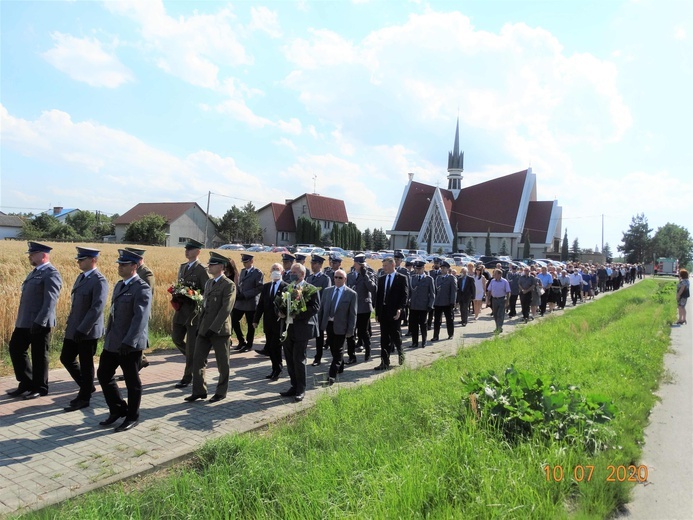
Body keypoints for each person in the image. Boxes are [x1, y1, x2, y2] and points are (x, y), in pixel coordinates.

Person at [97, 249, 152, 432]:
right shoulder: (120, 286)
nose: (120, 267)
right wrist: (109, 335)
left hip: (130, 344)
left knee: (132, 381)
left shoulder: (142, 288)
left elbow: (140, 318)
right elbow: (113, 314)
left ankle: (132, 416)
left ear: (134, 266)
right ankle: (118, 408)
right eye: (119, 264)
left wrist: (130, 341)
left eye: (124, 264)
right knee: (104, 374)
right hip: (114, 341)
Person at [7, 242, 63, 400]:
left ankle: (40, 387)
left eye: (33, 254)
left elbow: (50, 301)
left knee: (39, 355)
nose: (29, 256)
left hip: (39, 322)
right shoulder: (34, 272)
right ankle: (26, 382)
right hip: (24, 321)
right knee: (16, 349)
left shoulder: (51, 273)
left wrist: (40, 321)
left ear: (43, 255)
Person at [60, 247, 109, 412]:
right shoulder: (81, 277)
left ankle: (85, 397)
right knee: (66, 357)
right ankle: (86, 387)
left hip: (87, 331)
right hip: (75, 328)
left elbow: (97, 308)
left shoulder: (99, 280)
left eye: (82, 259)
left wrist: (83, 329)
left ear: (93, 260)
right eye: (78, 259)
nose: (79, 262)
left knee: (86, 363)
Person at [185, 252, 236, 403]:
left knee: (222, 363)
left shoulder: (228, 285)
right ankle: (199, 391)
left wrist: (213, 328)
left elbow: (225, 309)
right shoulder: (208, 283)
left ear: (221, 267)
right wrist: (200, 326)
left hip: (219, 330)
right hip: (203, 328)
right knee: (198, 360)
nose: (209, 267)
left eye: (212, 265)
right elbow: (204, 307)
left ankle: (221, 391)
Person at [171, 239, 211, 389]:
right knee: (176, 339)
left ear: (198, 251)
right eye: (186, 249)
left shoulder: (202, 269)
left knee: (190, 347)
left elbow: (206, 292)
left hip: (194, 313)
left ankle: (187, 376)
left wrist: (192, 294)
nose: (186, 251)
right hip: (181, 311)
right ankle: (195, 358)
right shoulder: (183, 267)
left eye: (190, 249)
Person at [278, 263, 320, 402]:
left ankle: (301, 389)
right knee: (289, 359)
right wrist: (280, 312)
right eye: (291, 272)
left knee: (298, 359)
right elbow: (279, 303)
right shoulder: (287, 288)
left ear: (302, 274)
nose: (291, 274)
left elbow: (315, 308)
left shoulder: (311, 289)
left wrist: (298, 314)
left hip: (302, 329)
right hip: (287, 329)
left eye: (294, 272)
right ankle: (293, 386)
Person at [318, 269, 357, 385]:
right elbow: (322, 309)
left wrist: (351, 330)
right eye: (335, 277)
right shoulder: (327, 291)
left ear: (345, 279)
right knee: (333, 348)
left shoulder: (351, 294)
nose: (337, 280)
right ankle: (340, 365)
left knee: (339, 349)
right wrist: (319, 324)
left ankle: (332, 375)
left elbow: (352, 314)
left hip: (342, 326)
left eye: (340, 278)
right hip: (329, 324)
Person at [253, 263, 287, 381]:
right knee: (271, 348)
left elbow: (288, 306)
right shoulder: (266, 286)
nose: (275, 271)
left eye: (277, 269)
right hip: (268, 323)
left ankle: (278, 369)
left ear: (282, 272)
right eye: (273, 269)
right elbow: (261, 304)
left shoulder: (286, 287)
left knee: (275, 347)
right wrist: (256, 320)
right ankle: (274, 369)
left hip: (279, 323)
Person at [374, 257, 409, 370]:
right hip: (383, 312)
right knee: (384, 338)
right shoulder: (382, 279)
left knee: (395, 335)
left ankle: (400, 352)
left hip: (395, 313)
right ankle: (384, 362)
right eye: (383, 266)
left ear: (392, 265)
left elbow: (405, 295)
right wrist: (377, 313)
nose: (384, 268)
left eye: (386, 266)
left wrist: (400, 309)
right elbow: (379, 297)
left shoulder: (401, 278)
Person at [345, 253, 377, 363]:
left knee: (363, 332)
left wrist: (365, 276)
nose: (360, 266)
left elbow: (373, 288)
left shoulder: (369, 274)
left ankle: (368, 351)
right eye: (358, 264)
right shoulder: (350, 275)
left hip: (364, 307)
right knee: (350, 332)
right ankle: (351, 356)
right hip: (352, 308)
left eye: (362, 264)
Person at [232, 253, 264, 353]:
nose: (244, 264)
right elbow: (240, 284)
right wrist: (238, 294)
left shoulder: (257, 272)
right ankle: (241, 341)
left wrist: (245, 294)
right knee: (233, 320)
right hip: (241, 302)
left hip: (250, 303)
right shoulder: (242, 271)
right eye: (243, 262)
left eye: (246, 262)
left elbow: (259, 288)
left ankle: (249, 344)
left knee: (251, 325)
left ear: (251, 261)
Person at [306, 255, 332, 366]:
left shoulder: (325, 279)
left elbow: (326, 296)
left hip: (319, 312)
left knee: (319, 336)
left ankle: (318, 357)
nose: (312, 265)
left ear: (320, 265)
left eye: (315, 263)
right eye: (312, 263)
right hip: (309, 311)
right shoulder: (309, 278)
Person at [408, 260, 435, 348]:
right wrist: (408, 302)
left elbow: (432, 293)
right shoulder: (412, 278)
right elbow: (409, 292)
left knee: (423, 325)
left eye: (419, 268)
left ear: (423, 268)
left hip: (424, 306)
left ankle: (424, 341)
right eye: (416, 268)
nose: (418, 270)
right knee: (413, 325)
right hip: (413, 306)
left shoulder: (429, 279)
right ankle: (414, 342)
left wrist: (430, 305)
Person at [432, 260, 456, 341]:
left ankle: (450, 334)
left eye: (444, 268)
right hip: (438, 302)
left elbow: (453, 291)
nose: (442, 269)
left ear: (448, 269)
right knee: (436, 320)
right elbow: (435, 290)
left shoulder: (451, 278)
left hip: (447, 302)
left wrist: (452, 302)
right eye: (441, 268)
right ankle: (435, 336)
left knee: (449, 319)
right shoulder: (438, 278)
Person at [486, 269, 511, 333]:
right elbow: (489, 290)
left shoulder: (504, 281)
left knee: (500, 314)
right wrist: (488, 300)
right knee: (495, 314)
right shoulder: (492, 281)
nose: (494, 275)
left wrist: (507, 301)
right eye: (494, 274)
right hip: (494, 299)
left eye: (495, 274)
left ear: (500, 274)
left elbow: (508, 292)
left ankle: (499, 327)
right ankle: (498, 326)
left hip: (502, 299)